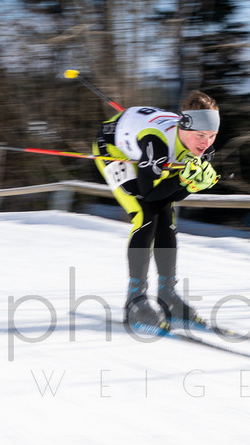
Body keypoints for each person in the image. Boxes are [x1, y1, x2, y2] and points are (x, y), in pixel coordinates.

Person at [93, 91, 221, 331]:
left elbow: (168, 196)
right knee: (145, 214)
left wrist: (188, 185)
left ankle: (167, 295)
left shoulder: (202, 148)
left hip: (143, 136)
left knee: (166, 216)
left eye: (212, 136)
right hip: (113, 148)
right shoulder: (156, 143)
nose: (206, 143)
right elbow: (149, 193)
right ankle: (135, 300)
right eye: (200, 135)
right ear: (184, 128)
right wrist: (185, 184)